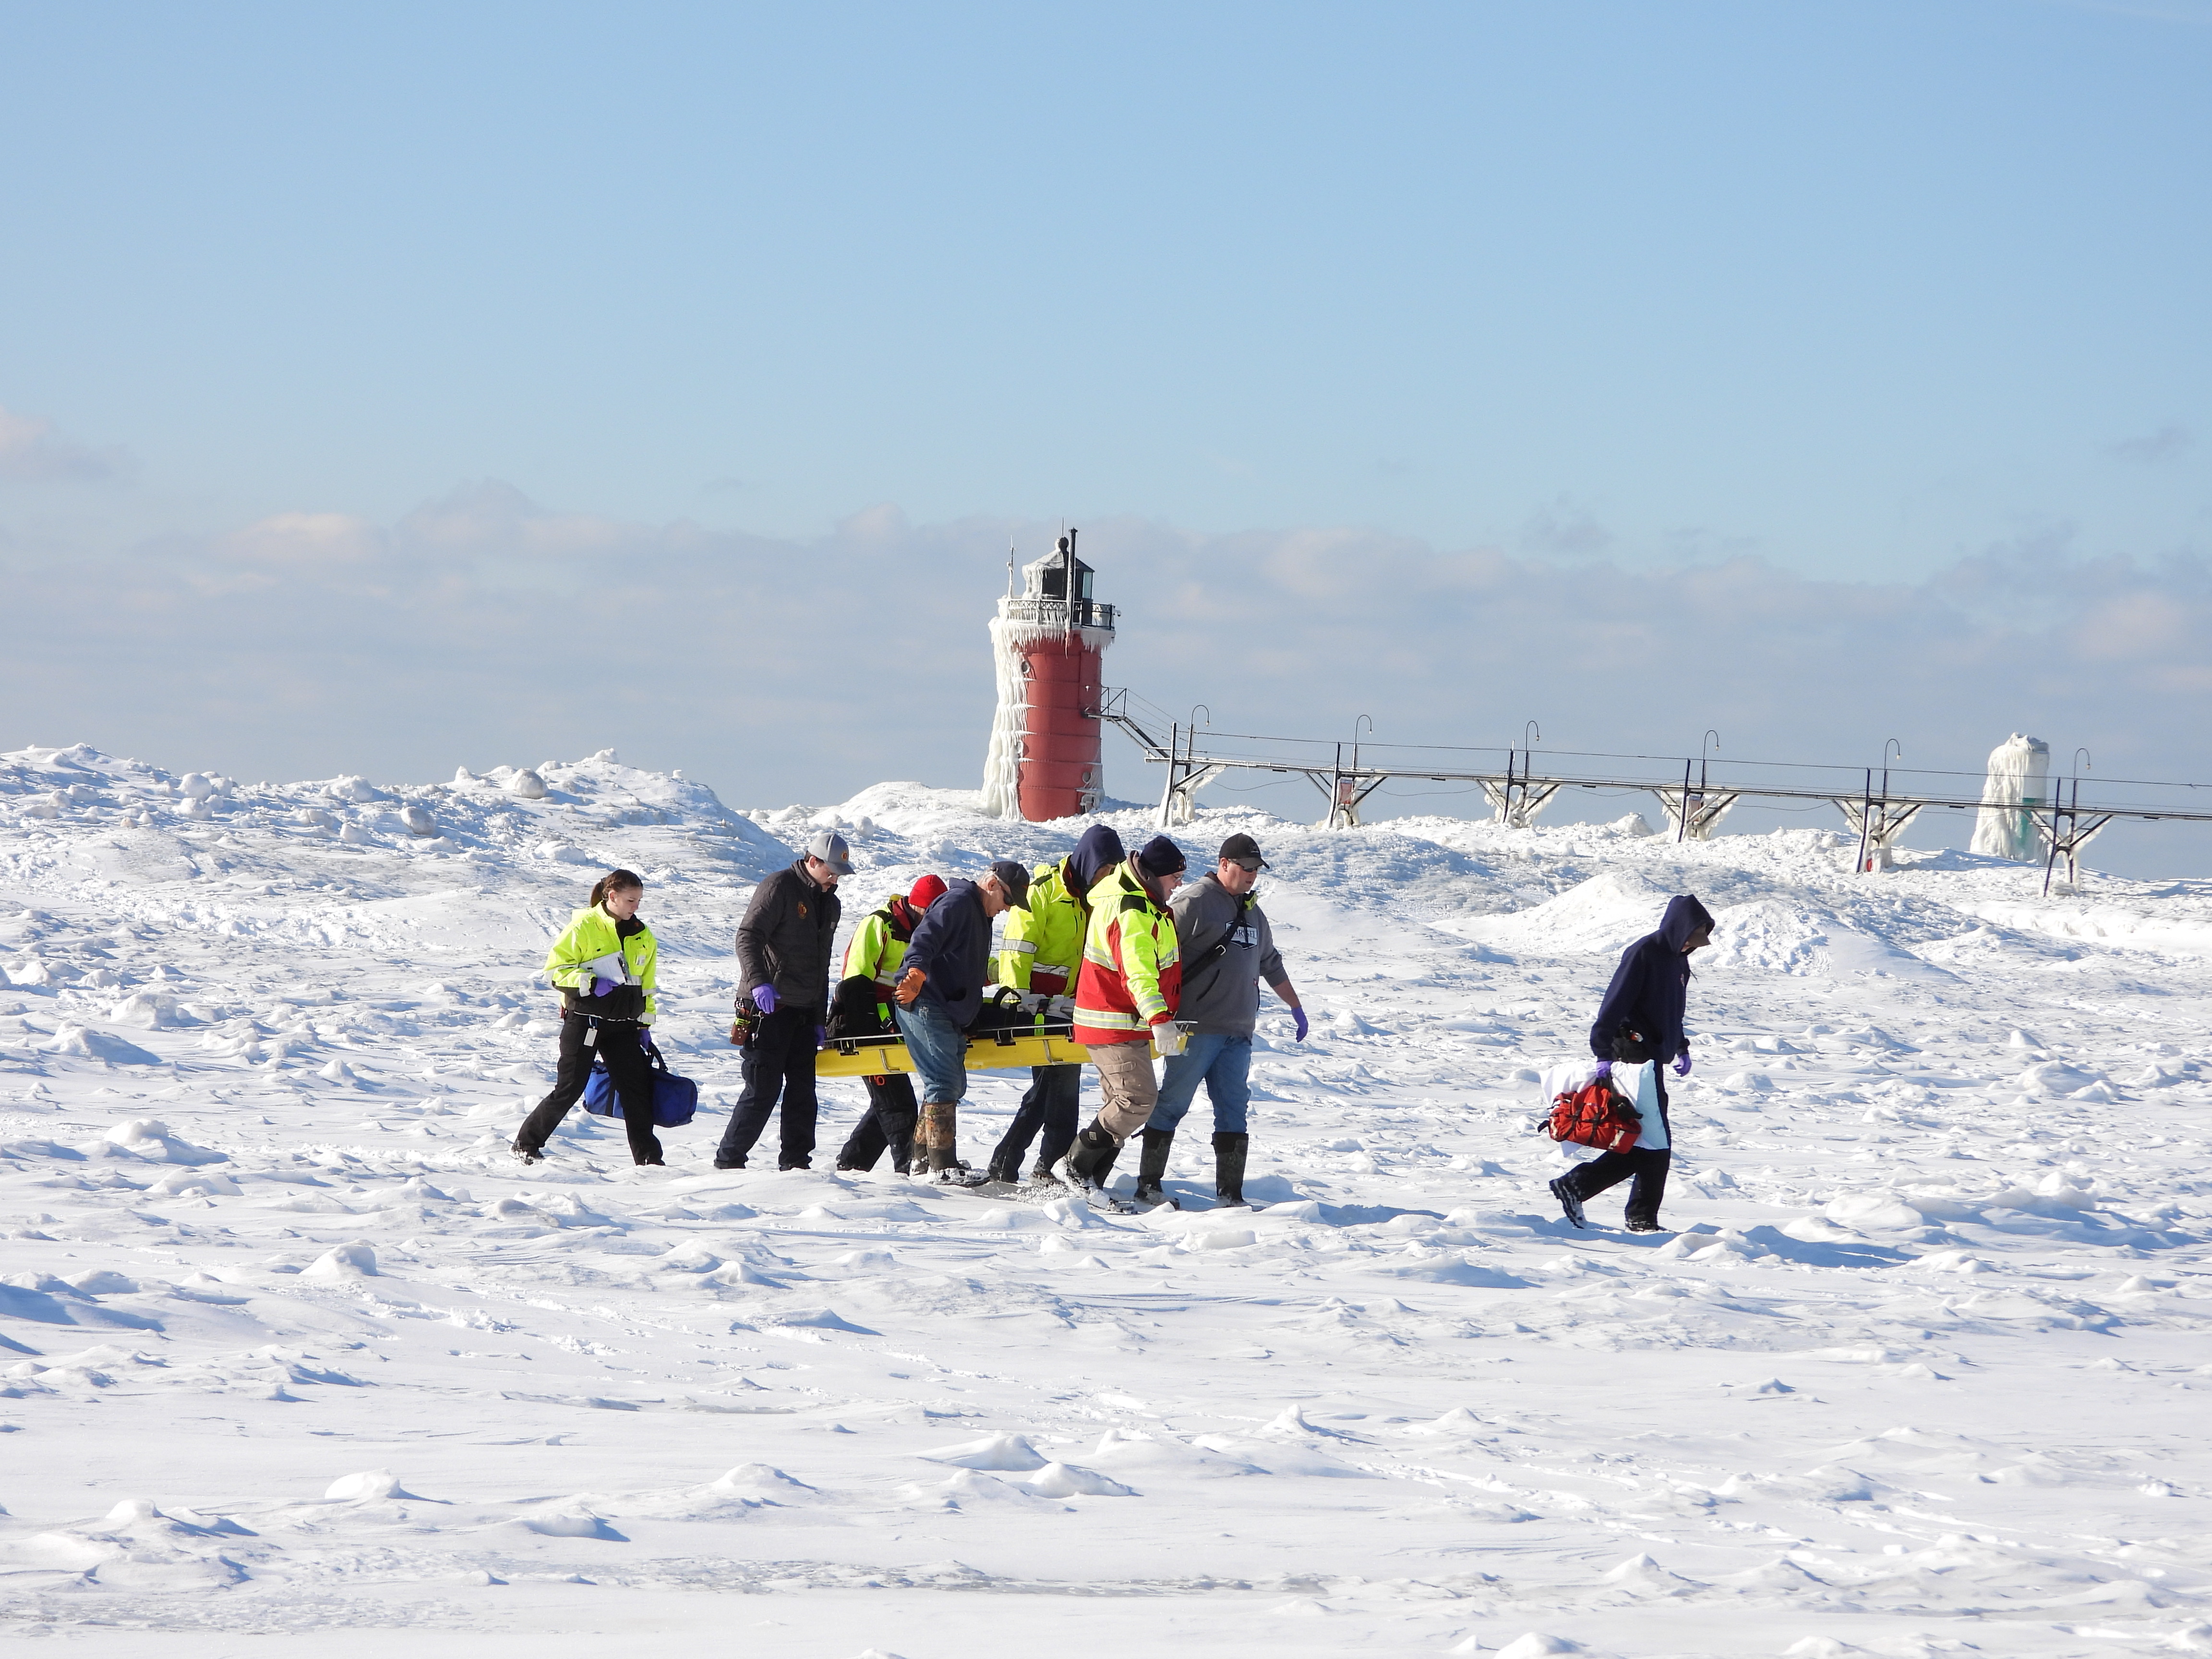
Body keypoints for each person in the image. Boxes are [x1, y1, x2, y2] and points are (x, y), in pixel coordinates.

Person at [1138, 833, 1307, 1208]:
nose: (1252, 876)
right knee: (1173, 1103)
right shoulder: (1194, 902)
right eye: (1246, 868)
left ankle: (1231, 1194)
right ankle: (1148, 1184)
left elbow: (1270, 964)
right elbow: (1155, 953)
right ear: (1225, 864)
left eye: (1256, 870)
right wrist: (1156, 1010)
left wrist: (1296, 1007)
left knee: (1233, 1108)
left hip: (1238, 1032)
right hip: (1196, 1029)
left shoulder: (1253, 913)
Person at [1549, 893, 1715, 1233]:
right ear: (1678, 928)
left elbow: (1672, 1011)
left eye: (1696, 941)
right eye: (1690, 937)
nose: (1691, 945)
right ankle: (1602, 1198)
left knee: (1647, 1140)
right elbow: (1614, 1002)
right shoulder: (1644, 953)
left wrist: (1681, 1046)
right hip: (1631, 1054)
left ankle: (1621, 1207)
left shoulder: (1678, 960)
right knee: (1655, 1142)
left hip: (1654, 1058)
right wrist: (1603, 1054)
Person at [985, 825, 1127, 1186]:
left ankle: (1034, 1165)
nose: (1107, 876)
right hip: (1036, 1009)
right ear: (1087, 861)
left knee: (1058, 1088)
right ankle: (1033, 1166)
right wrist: (1019, 1003)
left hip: (1073, 1009)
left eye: (1112, 871)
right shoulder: (1043, 894)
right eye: (1104, 868)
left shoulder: (1096, 900)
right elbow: (1017, 951)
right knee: (1054, 1088)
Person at [715, 830, 851, 1171]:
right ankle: (729, 1161)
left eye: (838, 874)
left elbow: (822, 964)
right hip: (768, 1008)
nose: (834, 879)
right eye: (830, 871)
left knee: (804, 1093)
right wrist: (759, 983)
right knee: (763, 1089)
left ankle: (796, 1163)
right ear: (813, 861)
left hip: (805, 1012)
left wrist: (821, 1018)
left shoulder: (831, 903)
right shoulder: (779, 886)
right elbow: (748, 936)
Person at [891, 859, 1032, 1183]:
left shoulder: (977, 914)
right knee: (944, 1082)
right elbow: (925, 939)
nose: (1008, 910)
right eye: (1009, 901)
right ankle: (942, 1167)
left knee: (945, 1082)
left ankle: (922, 1161)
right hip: (925, 1001)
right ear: (993, 885)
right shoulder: (957, 903)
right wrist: (914, 972)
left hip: (944, 1007)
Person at [1064, 835, 1186, 1205]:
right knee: (1137, 1099)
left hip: (1121, 1020)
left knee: (1118, 1102)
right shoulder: (1131, 910)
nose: (1179, 883)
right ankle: (1074, 1170)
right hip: (1112, 1019)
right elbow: (1138, 973)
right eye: (1175, 877)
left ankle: (1089, 1185)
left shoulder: (1145, 903)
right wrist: (1159, 1018)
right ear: (1155, 874)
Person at [513, 868, 664, 1166]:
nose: (636, 907)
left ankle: (649, 1160)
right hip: (586, 1022)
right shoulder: (583, 927)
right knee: (570, 1088)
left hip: (624, 1027)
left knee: (637, 1091)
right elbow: (558, 972)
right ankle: (526, 1144)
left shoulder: (643, 936)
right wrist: (593, 983)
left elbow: (647, 984)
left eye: (639, 901)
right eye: (631, 900)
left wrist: (644, 1024)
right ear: (612, 897)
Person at [830, 873, 948, 1175]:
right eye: (929, 912)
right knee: (898, 1107)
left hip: (896, 1026)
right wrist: (869, 1030)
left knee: (886, 1104)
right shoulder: (880, 924)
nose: (932, 919)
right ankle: (908, 1169)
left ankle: (852, 1166)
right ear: (915, 906)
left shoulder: (930, 932)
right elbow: (854, 983)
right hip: (863, 1025)